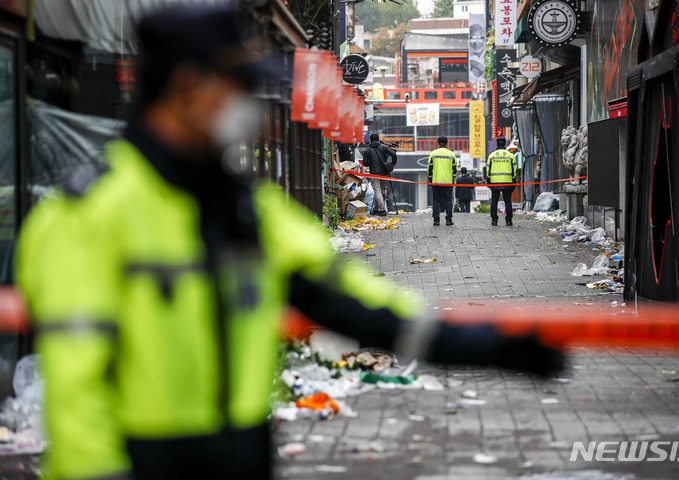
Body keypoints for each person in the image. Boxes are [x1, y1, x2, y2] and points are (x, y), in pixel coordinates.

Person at [14, 5, 564, 480]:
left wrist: (488, 345)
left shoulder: (244, 206)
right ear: (189, 88)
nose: (249, 108)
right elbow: (75, 388)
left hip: (244, 457)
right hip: (137, 463)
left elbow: (352, 303)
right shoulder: (88, 214)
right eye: (238, 89)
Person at [485, 136, 518, 226]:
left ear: (496, 143)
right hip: (508, 181)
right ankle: (508, 220)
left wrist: (488, 180)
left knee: (494, 201)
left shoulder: (492, 155)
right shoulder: (510, 155)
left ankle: (494, 220)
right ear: (505, 144)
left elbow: (488, 169)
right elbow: (514, 170)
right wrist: (514, 180)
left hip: (494, 182)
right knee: (508, 201)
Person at [362, 133, 397, 216]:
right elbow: (394, 154)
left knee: (377, 191)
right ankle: (375, 208)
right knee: (380, 191)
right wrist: (393, 164)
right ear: (378, 139)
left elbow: (365, 163)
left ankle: (382, 209)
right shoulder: (384, 147)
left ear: (370, 140)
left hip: (374, 173)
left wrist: (371, 163)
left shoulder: (368, 150)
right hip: (383, 172)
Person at [428, 136, 457, 226]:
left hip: (436, 181)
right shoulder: (451, 154)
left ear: (438, 143)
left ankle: (436, 220)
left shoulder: (433, 153)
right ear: (447, 143)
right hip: (448, 182)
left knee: (436, 201)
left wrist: (430, 178)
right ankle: (448, 219)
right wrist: (452, 178)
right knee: (448, 201)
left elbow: (429, 168)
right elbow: (455, 168)